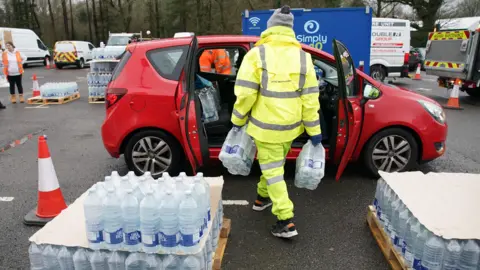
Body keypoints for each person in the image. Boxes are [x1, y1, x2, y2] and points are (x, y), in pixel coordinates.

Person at [231, 5, 322, 238]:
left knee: (272, 170)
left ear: (269, 28)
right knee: (273, 165)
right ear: (290, 31)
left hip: (264, 128)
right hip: (290, 129)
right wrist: (314, 130)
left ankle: (285, 219)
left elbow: (245, 94)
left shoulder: (256, 55)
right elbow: (310, 99)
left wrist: (237, 120)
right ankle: (262, 198)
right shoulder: (304, 58)